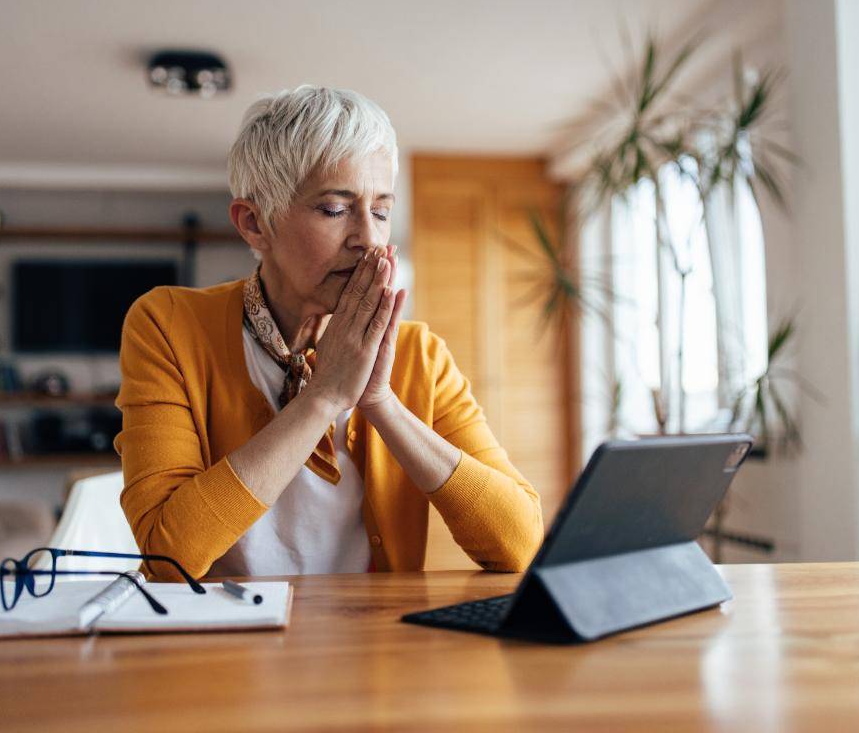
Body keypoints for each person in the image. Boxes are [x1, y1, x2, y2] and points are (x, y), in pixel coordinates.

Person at [114, 85, 543, 580]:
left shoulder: (419, 354)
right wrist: (323, 397)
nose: (369, 238)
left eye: (381, 212)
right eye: (335, 210)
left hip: (373, 629)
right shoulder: (168, 325)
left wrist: (380, 402)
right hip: (229, 629)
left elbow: (518, 545)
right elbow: (167, 558)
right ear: (254, 224)